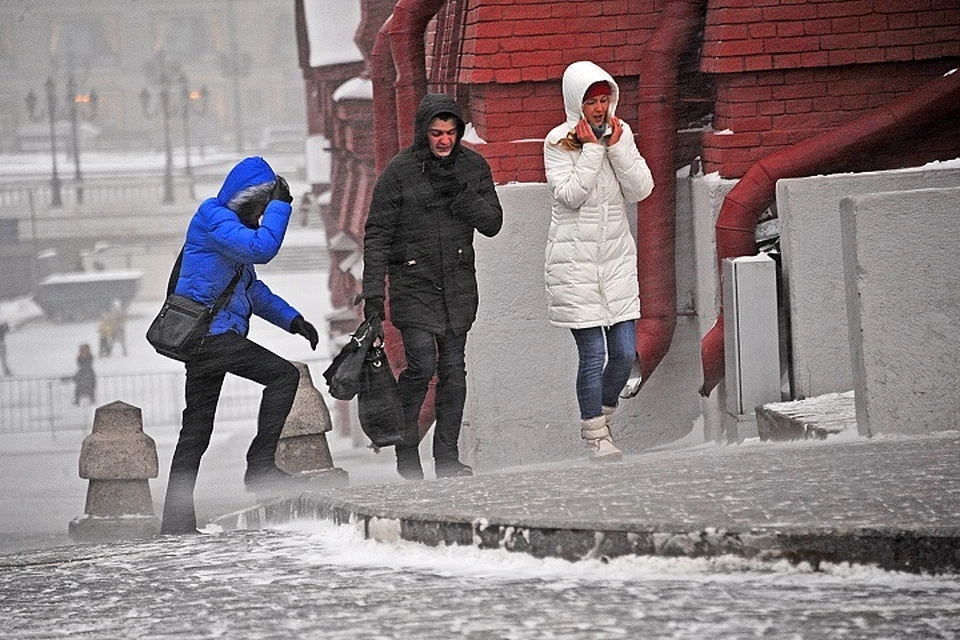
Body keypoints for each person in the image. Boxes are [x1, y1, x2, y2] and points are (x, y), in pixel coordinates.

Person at [160, 156, 320, 535]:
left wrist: (293, 321)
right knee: (283, 377)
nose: (264, 215)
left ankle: (176, 521)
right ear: (248, 200)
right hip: (211, 338)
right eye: (262, 207)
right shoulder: (213, 219)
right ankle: (261, 465)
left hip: (206, 340)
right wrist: (282, 205)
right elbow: (263, 248)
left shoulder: (232, 236)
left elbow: (253, 291)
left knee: (195, 433)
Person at [361, 93, 503, 480]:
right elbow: (376, 234)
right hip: (413, 283)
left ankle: (446, 457)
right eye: (436, 132)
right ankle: (407, 453)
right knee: (422, 365)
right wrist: (374, 293)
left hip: (456, 284)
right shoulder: (400, 172)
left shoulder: (473, 167)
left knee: (454, 371)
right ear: (423, 132)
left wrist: (460, 195)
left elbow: (492, 222)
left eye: (451, 132)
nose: (444, 140)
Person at [543, 61, 655, 461]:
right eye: (591, 101)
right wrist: (592, 148)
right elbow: (570, 195)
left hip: (616, 260)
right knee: (593, 355)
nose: (599, 107)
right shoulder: (560, 142)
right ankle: (595, 437)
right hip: (575, 264)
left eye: (604, 99)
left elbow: (641, 188)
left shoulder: (620, 133)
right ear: (577, 102)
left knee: (624, 353)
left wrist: (619, 146)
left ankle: (601, 417)